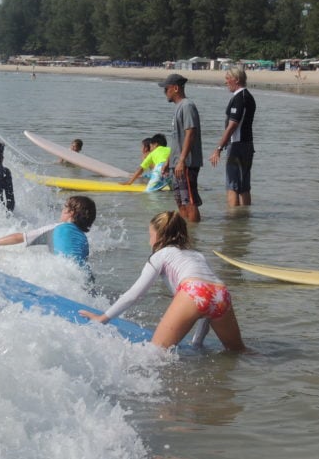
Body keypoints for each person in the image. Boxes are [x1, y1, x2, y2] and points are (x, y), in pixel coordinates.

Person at [80, 211, 245, 351]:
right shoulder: (197, 255)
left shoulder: (160, 255)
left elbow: (134, 295)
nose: (149, 240)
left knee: (155, 354)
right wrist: (197, 344)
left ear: (159, 236)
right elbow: (206, 305)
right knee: (238, 352)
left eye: (150, 235)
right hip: (221, 293)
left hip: (193, 290)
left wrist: (103, 318)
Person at [0, 195, 96, 267]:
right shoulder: (83, 238)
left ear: (70, 212)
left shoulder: (57, 228)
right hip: (80, 277)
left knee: (1, 256)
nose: (61, 210)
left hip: (59, 273)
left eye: (64, 208)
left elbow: (19, 237)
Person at [158, 73, 203, 222]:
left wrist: (182, 160)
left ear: (175, 88)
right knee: (181, 202)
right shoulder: (178, 107)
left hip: (186, 164)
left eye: (166, 89)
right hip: (177, 164)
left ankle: (195, 235)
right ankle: (186, 234)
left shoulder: (187, 106)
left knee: (189, 201)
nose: (164, 92)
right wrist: (168, 161)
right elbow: (177, 140)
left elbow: (190, 133)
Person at [208, 67, 256, 207]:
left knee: (232, 186)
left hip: (236, 146)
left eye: (227, 78)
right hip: (247, 145)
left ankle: (232, 223)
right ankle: (243, 220)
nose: (225, 82)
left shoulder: (239, 98)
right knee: (244, 186)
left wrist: (218, 148)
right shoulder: (249, 97)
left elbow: (233, 125)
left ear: (236, 79)